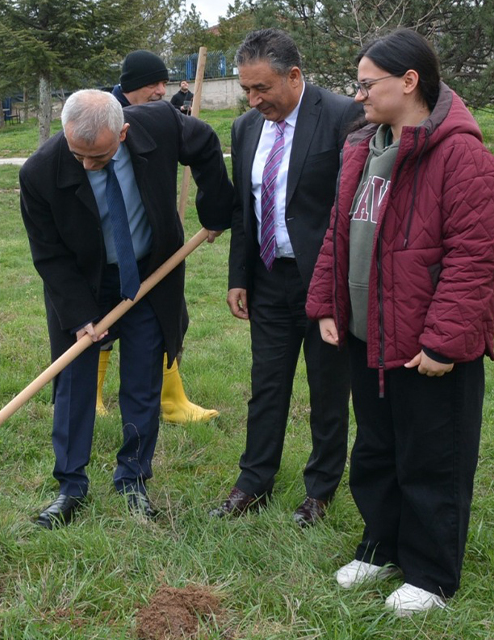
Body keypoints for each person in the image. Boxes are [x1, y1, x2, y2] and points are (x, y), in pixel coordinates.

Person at [307, 28, 494, 614]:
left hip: (427, 347)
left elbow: (475, 261)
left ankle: (432, 575)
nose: (359, 95)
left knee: (432, 459)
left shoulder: (463, 158)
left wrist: (445, 341)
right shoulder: (364, 147)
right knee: (377, 450)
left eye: (368, 85)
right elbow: (339, 234)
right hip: (372, 336)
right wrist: (326, 304)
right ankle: (380, 547)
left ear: (410, 82)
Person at [19, 89, 233, 529]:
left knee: (142, 380)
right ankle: (70, 486)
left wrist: (214, 208)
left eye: (97, 157)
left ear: (124, 133)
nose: (86, 165)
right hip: (83, 283)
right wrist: (80, 317)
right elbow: (49, 256)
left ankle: (133, 479)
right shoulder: (40, 172)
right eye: (78, 154)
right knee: (74, 383)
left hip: (150, 276)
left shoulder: (160, 123)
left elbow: (207, 143)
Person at [212, 28, 361, 526]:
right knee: (267, 385)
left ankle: (319, 492)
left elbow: (351, 210)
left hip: (325, 281)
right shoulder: (245, 129)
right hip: (270, 279)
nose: (254, 101)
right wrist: (240, 275)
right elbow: (242, 210)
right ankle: (253, 483)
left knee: (327, 388)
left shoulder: (342, 116)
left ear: (294, 76)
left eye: (262, 90)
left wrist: (336, 287)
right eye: (246, 91)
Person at [99, 52, 219, 426]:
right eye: (154, 83)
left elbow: (199, 147)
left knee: (171, 316)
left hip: (153, 250)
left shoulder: (161, 116)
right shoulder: (99, 116)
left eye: (164, 83)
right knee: (101, 323)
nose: (161, 91)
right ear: (131, 85)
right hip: (106, 252)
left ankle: (172, 400)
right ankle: (92, 397)